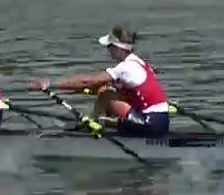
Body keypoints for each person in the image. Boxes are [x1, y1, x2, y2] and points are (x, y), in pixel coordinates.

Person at [28, 25, 170, 138]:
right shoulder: (141, 64)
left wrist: (49, 84)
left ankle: (95, 127)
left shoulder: (126, 68)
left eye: (109, 47)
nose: (108, 51)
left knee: (106, 94)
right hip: (160, 122)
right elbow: (95, 86)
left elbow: (87, 82)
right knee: (105, 91)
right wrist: (68, 89)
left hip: (149, 124)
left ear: (117, 48)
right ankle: (95, 124)